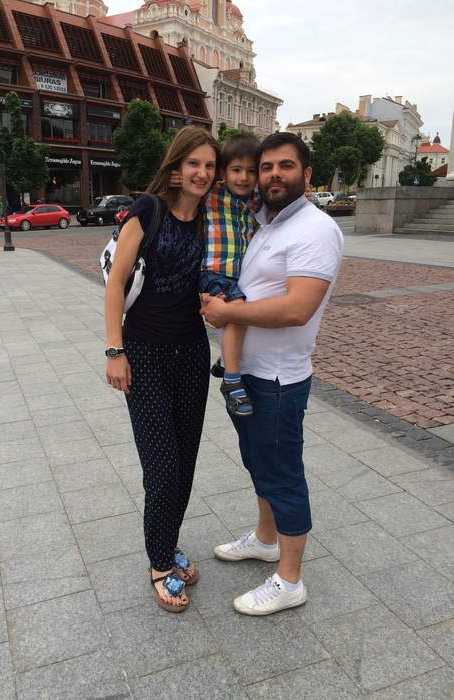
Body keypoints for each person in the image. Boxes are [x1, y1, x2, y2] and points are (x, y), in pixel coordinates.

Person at [202, 132, 344, 616]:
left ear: (307, 174)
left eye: (285, 166)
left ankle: (289, 580)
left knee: (283, 476)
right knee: (258, 463)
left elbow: (298, 308)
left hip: (279, 380)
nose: (273, 175)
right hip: (248, 373)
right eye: (266, 167)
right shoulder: (265, 222)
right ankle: (266, 539)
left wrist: (228, 313)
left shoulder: (315, 229)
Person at [105, 126, 220, 613]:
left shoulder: (208, 219)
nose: (202, 173)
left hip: (192, 353)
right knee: (162, 466)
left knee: (185, 462)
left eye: (209, 166)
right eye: (194, 163)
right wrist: (115, 351)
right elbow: (116, 282)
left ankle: (169, 543)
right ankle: (158, 563)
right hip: (145, 353)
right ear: (176, 167)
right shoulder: (148, 210)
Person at [200, 134, 259, 417]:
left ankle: (225, 362)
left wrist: (306, 191)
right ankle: (232, 381)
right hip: (213, 271)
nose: (243, 177)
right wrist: (172, 179)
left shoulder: (255, 200)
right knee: (237, 313)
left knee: (238, 314)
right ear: (223, 172)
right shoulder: (212, 193)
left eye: (251, 170)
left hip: (237, 275)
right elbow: (190, 181)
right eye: (236, 170)